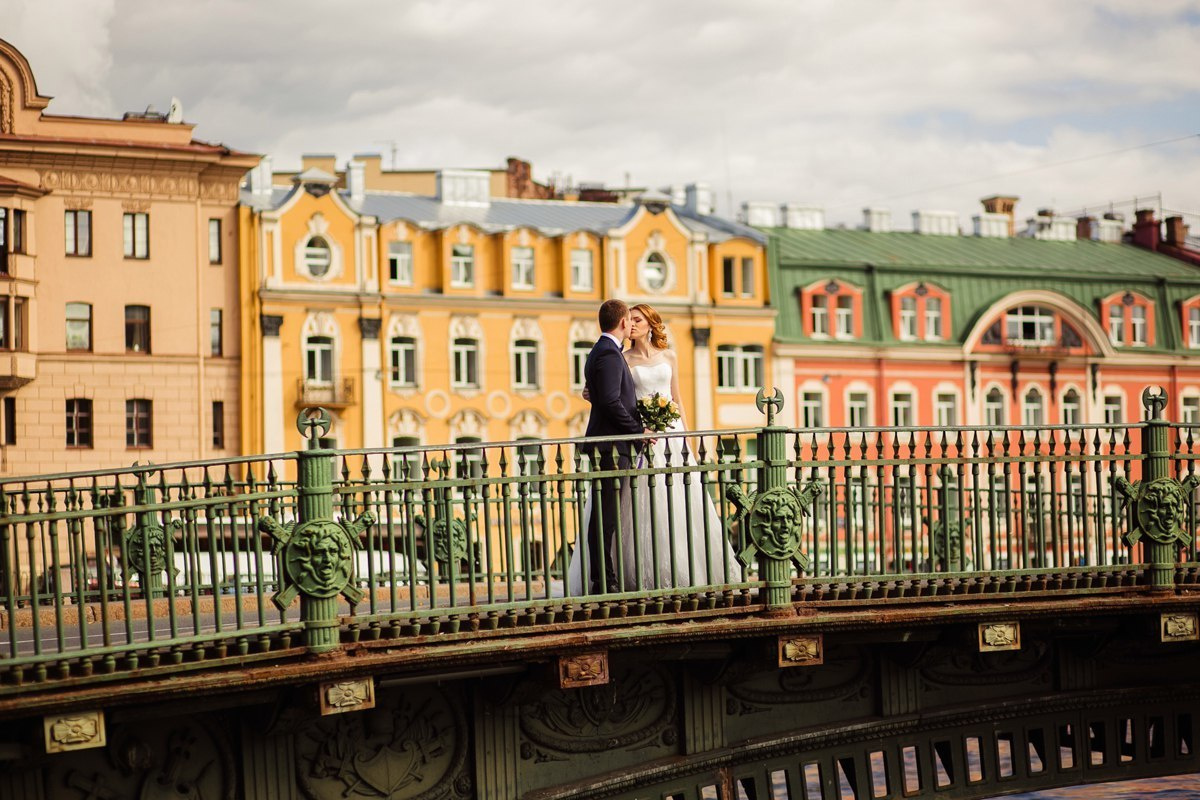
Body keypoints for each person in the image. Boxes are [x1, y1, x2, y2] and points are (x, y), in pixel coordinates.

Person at [622, 303, 739, 589]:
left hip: (672, 434)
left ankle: (692, 567)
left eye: (637, 320)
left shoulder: (669, 356)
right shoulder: (624, 360)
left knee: (681, 496)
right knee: (648, 498)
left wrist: (687, 438)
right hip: (646, 433)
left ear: (650, 324)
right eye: (629, 320)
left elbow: (677, 399)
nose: (632, 325)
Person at [578, 299, 647, 593]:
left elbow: (603, 395)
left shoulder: (602, 350)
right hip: (612, 447)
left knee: (605, 514)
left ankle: (603, 578)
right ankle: (604, 581)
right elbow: (609, 401)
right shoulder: (608, 352)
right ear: (622, 322)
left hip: (610, 445)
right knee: (605, 517)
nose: (631, 325)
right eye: (630, 320)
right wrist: (638, 431)